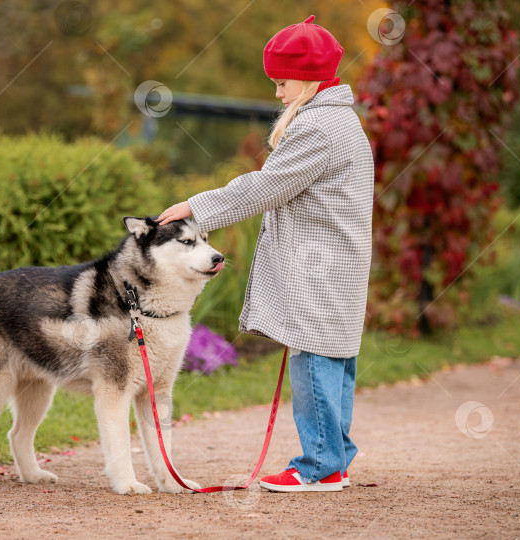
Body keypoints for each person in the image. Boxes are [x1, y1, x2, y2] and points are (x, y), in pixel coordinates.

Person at [156, 14, 374, 492]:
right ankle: (336, 457)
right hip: (338, 262)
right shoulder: (341, 120)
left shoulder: (318, 128)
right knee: (335, 358)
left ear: (309, 77)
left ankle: (319, 466)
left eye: (281, 82)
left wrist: (197, 208)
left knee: (313, 356)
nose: (277, 93)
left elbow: (265, 188)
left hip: (320, 266)